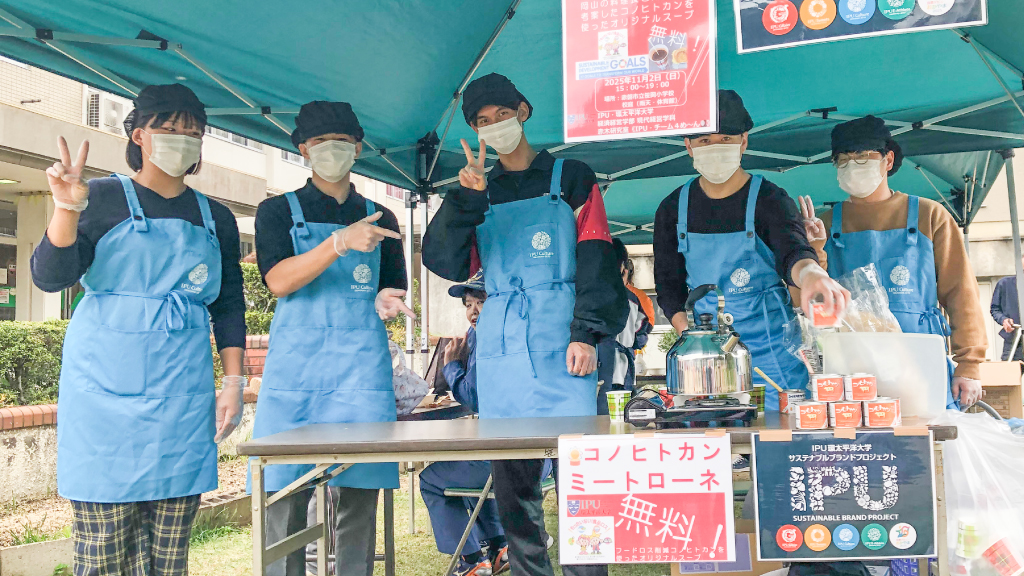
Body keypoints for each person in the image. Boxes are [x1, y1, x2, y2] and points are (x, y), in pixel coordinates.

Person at [30, 83, 247, 575]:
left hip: (181, 399)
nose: (181, 140)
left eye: (192, 132)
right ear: (138, 135)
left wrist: (234, 382)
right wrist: (67, 208)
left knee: (169, 554)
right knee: (103, 551)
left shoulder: (216, 217)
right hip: (102, 401)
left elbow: (228, 304)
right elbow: (50, 277)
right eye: (168, 129)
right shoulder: (100, 197)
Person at [422, 72, 628, 576]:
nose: (494, 126)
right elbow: (445, 260)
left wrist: (586, 332)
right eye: (482, 121)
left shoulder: (572, 177)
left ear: (523, 111)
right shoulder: (479, 190)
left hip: (564, 342)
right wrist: (464, 197)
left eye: (502, 114)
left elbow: (597, 255)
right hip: (502, 349)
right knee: (514, 486)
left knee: (583, 479)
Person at [249, 101, 414, 576]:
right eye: (320, 142)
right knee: (284, 498)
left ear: (358, 149)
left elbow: (391, 286)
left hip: (360, 374)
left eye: (342, 142)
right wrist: (338, 242)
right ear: (303, 149)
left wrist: (387, 299)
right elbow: (279, 281)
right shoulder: (276, 211)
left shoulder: (383, 217)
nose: (332, 150)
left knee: (358, 501)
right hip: (295, 377)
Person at [653, 89, 848, 412]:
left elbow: (794, 252)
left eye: (726, 139)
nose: (715, 148)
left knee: (780, 435)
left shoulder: (770, 200)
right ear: (688, 145)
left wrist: (813, 274)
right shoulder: (672, 208)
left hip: (774, 355)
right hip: (707, 359)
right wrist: (693, 341)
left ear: (743, 141)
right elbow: (668, 284)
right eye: (704, 141)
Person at [800, 115, 986, 408]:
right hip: (851, 367)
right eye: (843, 160)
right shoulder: (823, 224)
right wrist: (814, 249)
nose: (852, 165)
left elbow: (960, 292)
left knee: (924, 432)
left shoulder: (930, 215)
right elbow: (812, 305)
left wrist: (969, 364)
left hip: (919, 360)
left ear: (887, 160)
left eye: (862, 156)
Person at [418, 272, 510, 576]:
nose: (473, 310)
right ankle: (499, 546)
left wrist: (452, 366)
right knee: (468, 464)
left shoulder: (487, 337)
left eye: (481, 301)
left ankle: (472, 561)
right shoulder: (506, 332)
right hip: (535, 455)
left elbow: (474, 397)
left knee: (431, 479)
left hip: (508, 457)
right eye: (468, 304)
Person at [597, 238, 653, 409]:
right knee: (620, 419)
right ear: (623, 267)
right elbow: (641, 336)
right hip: (622, 373)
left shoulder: (585, 295)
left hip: (593, 373)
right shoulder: (633, 299)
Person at [991, 256, 1023, 361]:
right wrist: (1004, 320)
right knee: (1009, 370)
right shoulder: (1005, 284)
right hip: (1014, 340)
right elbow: (995, 309)